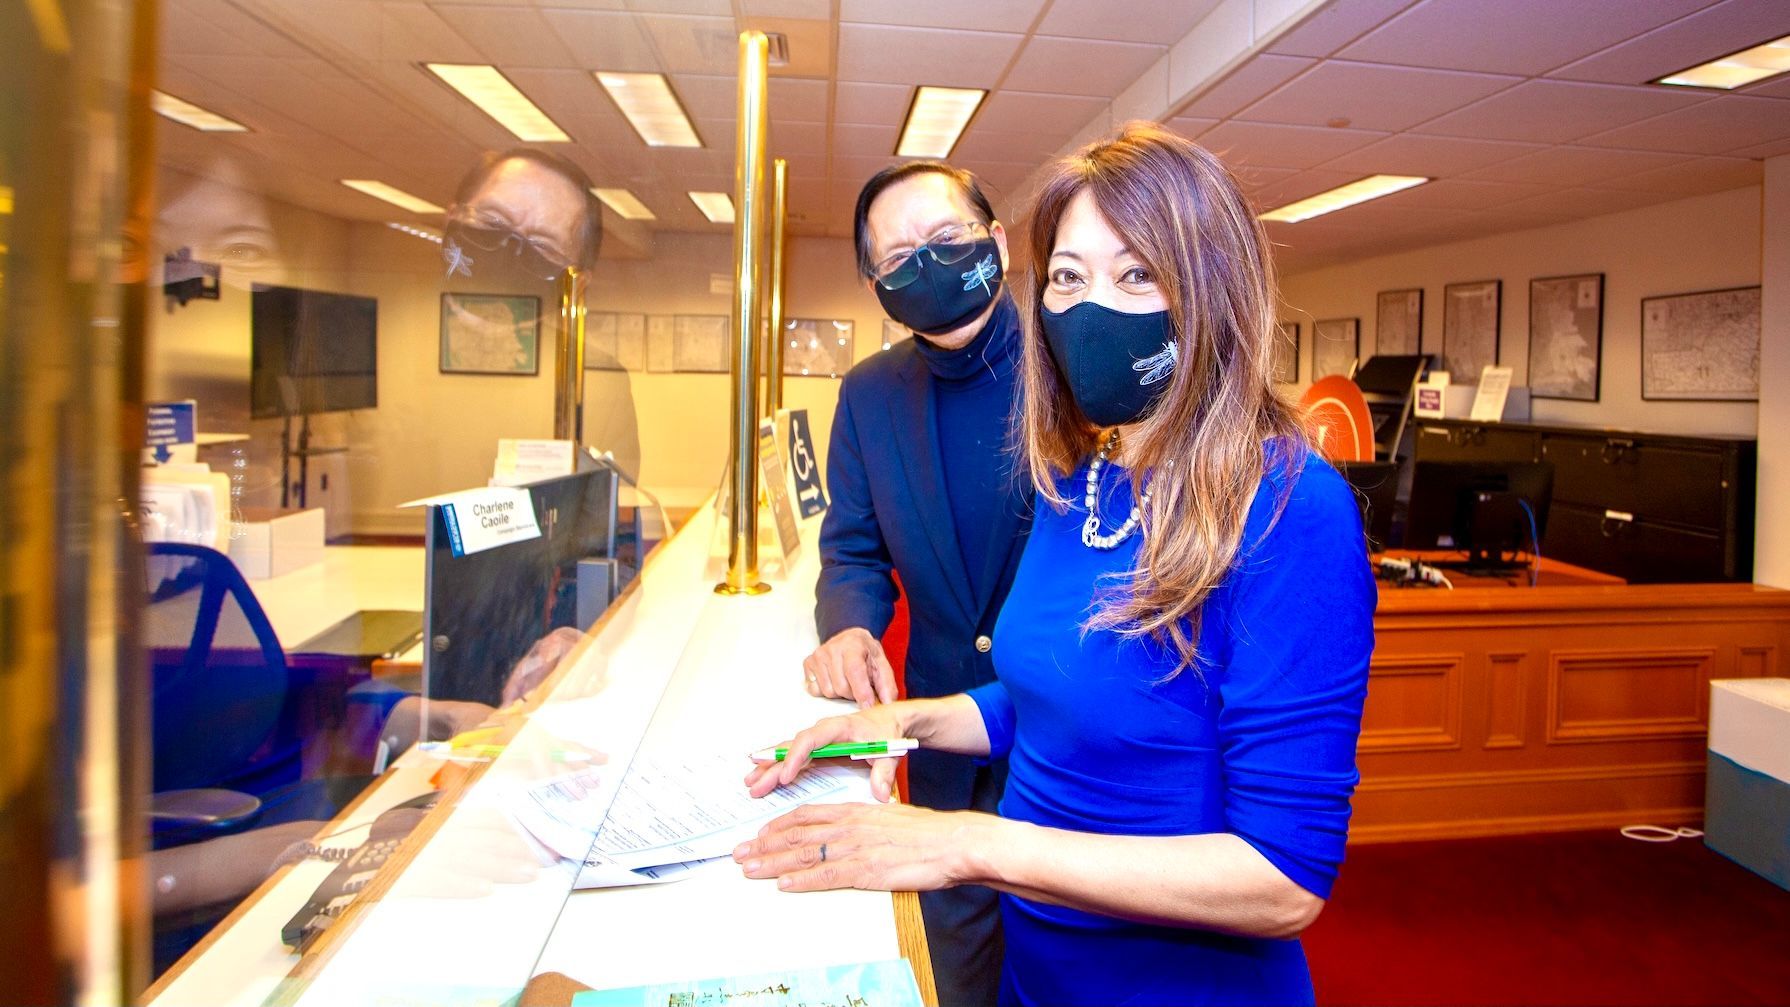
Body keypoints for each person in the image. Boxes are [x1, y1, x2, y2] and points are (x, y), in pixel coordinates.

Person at [736, 124, 1376, 1006]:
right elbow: (1058, 691)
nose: (1090, 306)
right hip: (1038, 976)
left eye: (1137, 273)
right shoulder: (1084, 478)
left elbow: (1282, 880)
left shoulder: (1288, 506)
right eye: (1069, 277)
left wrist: (967, 843)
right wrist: (905, 723)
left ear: (1213, 288)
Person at [803, 161, 1032, 1005]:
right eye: (897, 256)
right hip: (936, 742)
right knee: (953, 969)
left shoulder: (1072, 369)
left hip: (1066, 739)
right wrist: (849, 625)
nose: (926, 264)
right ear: (875, 285)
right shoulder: (867, 395)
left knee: (1064, 961)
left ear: (996, 241)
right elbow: (854, 547)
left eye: (946, 239)